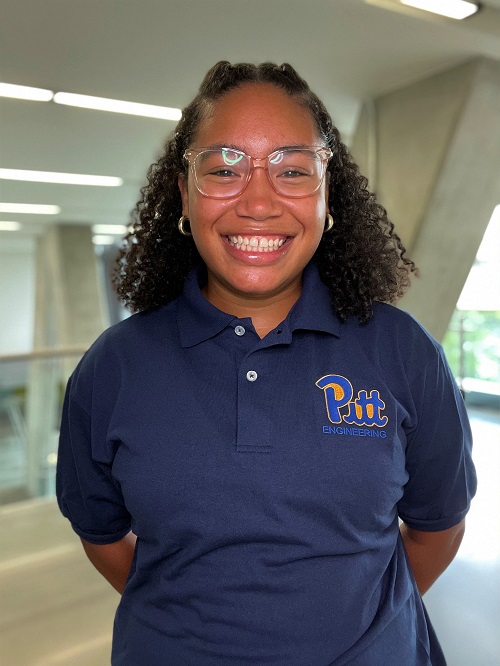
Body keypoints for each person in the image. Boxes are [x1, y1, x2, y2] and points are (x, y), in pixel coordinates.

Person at [56, 61, 477, 665]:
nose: (258, 201)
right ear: (183, 192)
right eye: (224, 169)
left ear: (327, 193)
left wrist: (353, 629)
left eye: (293, 170)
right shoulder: (114, 367)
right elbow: (101, 534)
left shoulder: (403, 352)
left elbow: (437, 527)